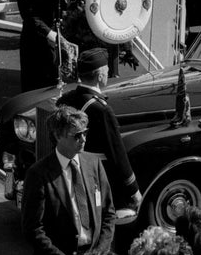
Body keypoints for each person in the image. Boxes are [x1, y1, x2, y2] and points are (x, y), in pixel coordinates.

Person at [21, 106, 115, 255]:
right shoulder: (39, 174)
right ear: (58, 136)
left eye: (85, 133)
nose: (83, 139)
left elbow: (109, 213)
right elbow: (32, 229)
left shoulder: (93, 164)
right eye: (76, 135)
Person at [57, 48, 141, 216]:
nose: (108, 73)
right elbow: (116, 153)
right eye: (107, 70)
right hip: (97, 175)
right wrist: (133, 189)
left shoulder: (65, 99)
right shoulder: (102, 110)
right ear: (100, 75)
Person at [16, 0, 68, 92]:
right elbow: (28, 14)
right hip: (35, 38)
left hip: (54, 34)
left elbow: (64, 6)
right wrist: (48, 33)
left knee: (55, 81)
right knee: (34, 83)